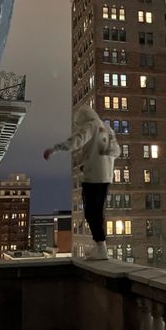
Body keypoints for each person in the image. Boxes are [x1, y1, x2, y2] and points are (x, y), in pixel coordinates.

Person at [43, 105, 120, 260]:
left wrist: (55, 148)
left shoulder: (90, 125)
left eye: (78, 123)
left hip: (93, 177)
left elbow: (77, 140)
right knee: (97, 212)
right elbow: (116, 151)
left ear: (82, 118)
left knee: (91, 212)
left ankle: (100, 247)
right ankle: (100, 246)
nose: (78, 126)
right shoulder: (107, 129)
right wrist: (100, 158)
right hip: (105, 177)